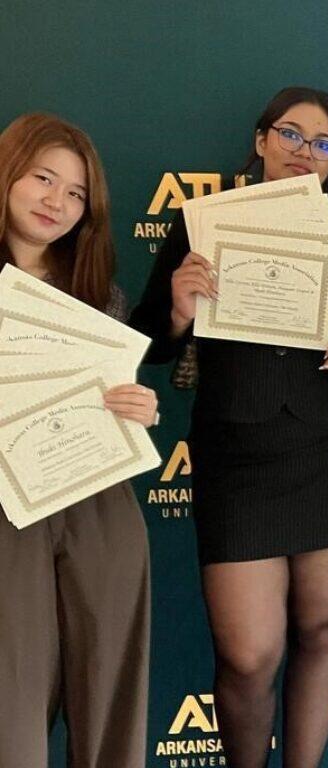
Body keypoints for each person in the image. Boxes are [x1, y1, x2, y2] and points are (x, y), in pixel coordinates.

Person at [129, 87, 328, 768]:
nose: (305, 151)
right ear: (261, 140)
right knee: (249, 655)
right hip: (238, 459)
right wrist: (178, 310)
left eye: (322, 143)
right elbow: (148, 345)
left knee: (322, 627)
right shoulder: (201, 227)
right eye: (291, 134)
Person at [0, 112, 158, 767]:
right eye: (43, 178)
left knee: (111, 691)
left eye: (75, 193)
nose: (56, 202)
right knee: (11, 701)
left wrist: (137, 408)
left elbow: (111, 402)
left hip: (97, 500)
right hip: (8, 509)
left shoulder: (100, 295)